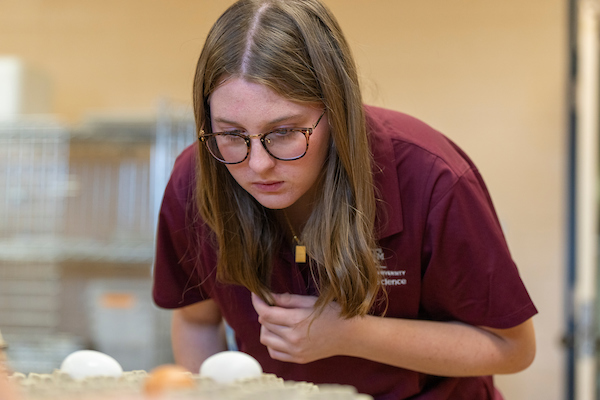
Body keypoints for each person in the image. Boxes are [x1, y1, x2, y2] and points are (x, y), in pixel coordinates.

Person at [152, 0, 538, 399]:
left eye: (284, 132)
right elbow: (197, 323)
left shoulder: (432, 178)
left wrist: (354, 334)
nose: (259, 164)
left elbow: (512, 347)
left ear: (336, 110)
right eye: (231, 134)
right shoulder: (194, 180)